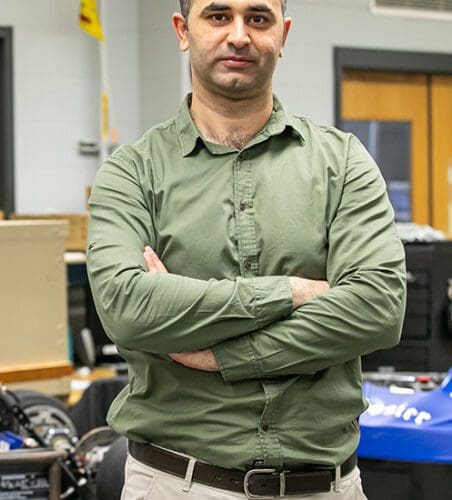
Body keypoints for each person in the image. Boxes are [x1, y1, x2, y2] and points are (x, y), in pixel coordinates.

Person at [87, 0, 406, 498]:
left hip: (326, 486)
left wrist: (223, 354)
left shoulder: (343, 163)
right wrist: (293, 292)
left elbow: (378, 308)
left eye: (258, 19)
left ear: (283, 35)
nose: (239, 35)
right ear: (182, 30)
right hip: (176, 484)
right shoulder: (132, 173)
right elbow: (128, 308)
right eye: (218, 16)